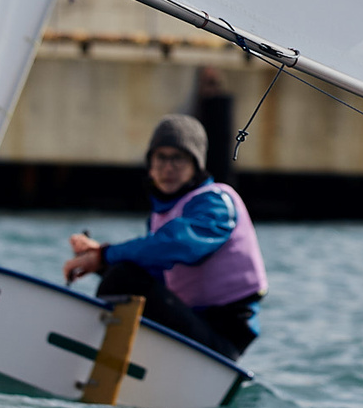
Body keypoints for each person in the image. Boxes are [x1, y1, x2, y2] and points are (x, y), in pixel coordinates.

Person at [62, 113, 266, 360]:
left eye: (178, 158)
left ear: (196, 165)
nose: (168, 167)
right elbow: (154, 273)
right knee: (122, 273)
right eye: (161, 157)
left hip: (222, 337)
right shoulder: (163, 214)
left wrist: (104, 255)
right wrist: (99, 262)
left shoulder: (216, 201)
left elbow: (179, 244)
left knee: (123, 277)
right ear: (150, 165)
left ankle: (95, 359)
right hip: (193, 321)